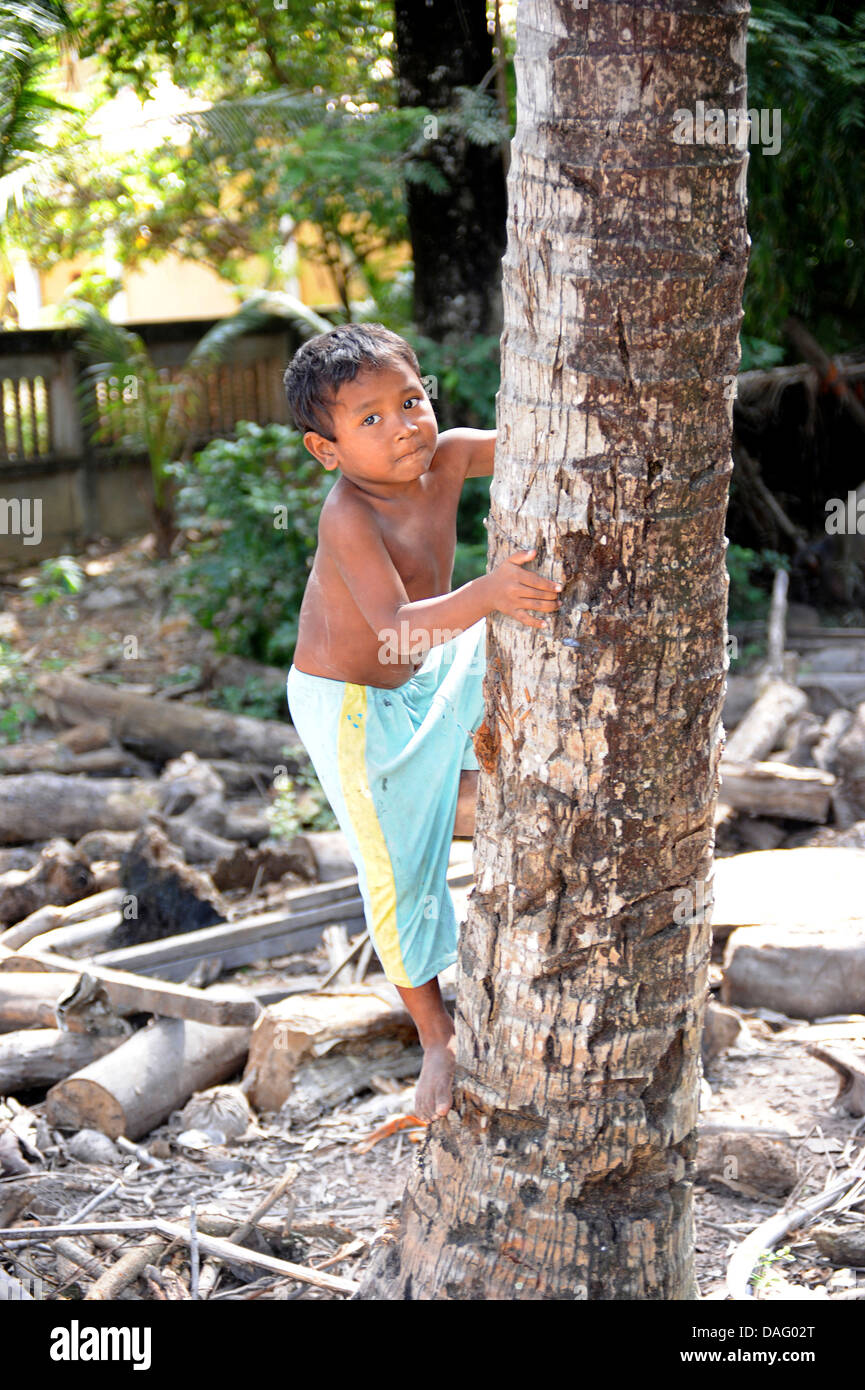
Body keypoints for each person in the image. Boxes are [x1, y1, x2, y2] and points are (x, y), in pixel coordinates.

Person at [283, 323, 562, 1121]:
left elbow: (540, 439)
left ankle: (466, 801)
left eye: (410, 401)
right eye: (368, 418)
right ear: (326, 449)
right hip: (352, 704)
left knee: (518, 642)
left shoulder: (444, 458)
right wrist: (487, 592)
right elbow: (399, 625)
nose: (402, 425)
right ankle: (436, 1036)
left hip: (424, 667)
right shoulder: (349, 515)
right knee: (397, 862)